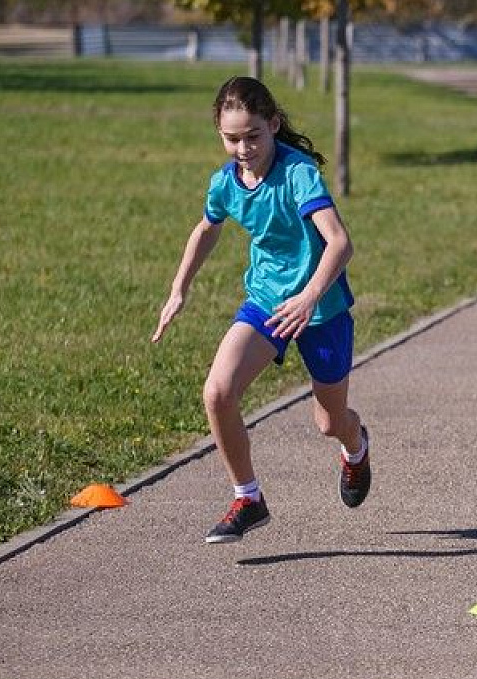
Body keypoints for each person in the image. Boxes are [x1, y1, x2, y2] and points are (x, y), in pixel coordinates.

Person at [151, 76, 372, 544]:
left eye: (254, 136)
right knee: (217, 392)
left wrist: (310, 296)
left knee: (329, 423)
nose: (245, 148)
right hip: (267, 302)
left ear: (273, 125)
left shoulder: (298, 173)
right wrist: (178, 288)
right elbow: (206, 228)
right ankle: (248, 498)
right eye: (233, 139)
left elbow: (339, 242)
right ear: (220, 135)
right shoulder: (225, 183)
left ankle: (356, 448)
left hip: (321, 308)